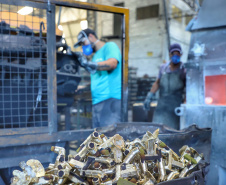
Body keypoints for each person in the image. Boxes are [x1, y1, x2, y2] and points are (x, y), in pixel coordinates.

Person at [73, 28, 121, 128]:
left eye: (83, 43)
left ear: (91, 36)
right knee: (99, 139)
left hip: (110, 100)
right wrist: (83, 89)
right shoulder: (95, 57)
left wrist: (88, 64)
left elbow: (112, 64)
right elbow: (98, 79)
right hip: (97, 102)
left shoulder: (110, 46)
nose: (83, 47)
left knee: (110, 139)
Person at [143, 43, 186, 130]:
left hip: (175, 108)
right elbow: (157, 83)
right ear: (170, 54)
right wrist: (149, 96)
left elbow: (188, 89)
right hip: (161, 106)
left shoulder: (183, 69)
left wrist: (185, 105)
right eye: (174, 54)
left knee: (173, 132)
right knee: (157, 131)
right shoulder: (163, 67)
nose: (176, 56)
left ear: (181, 54)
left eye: (178, 54)